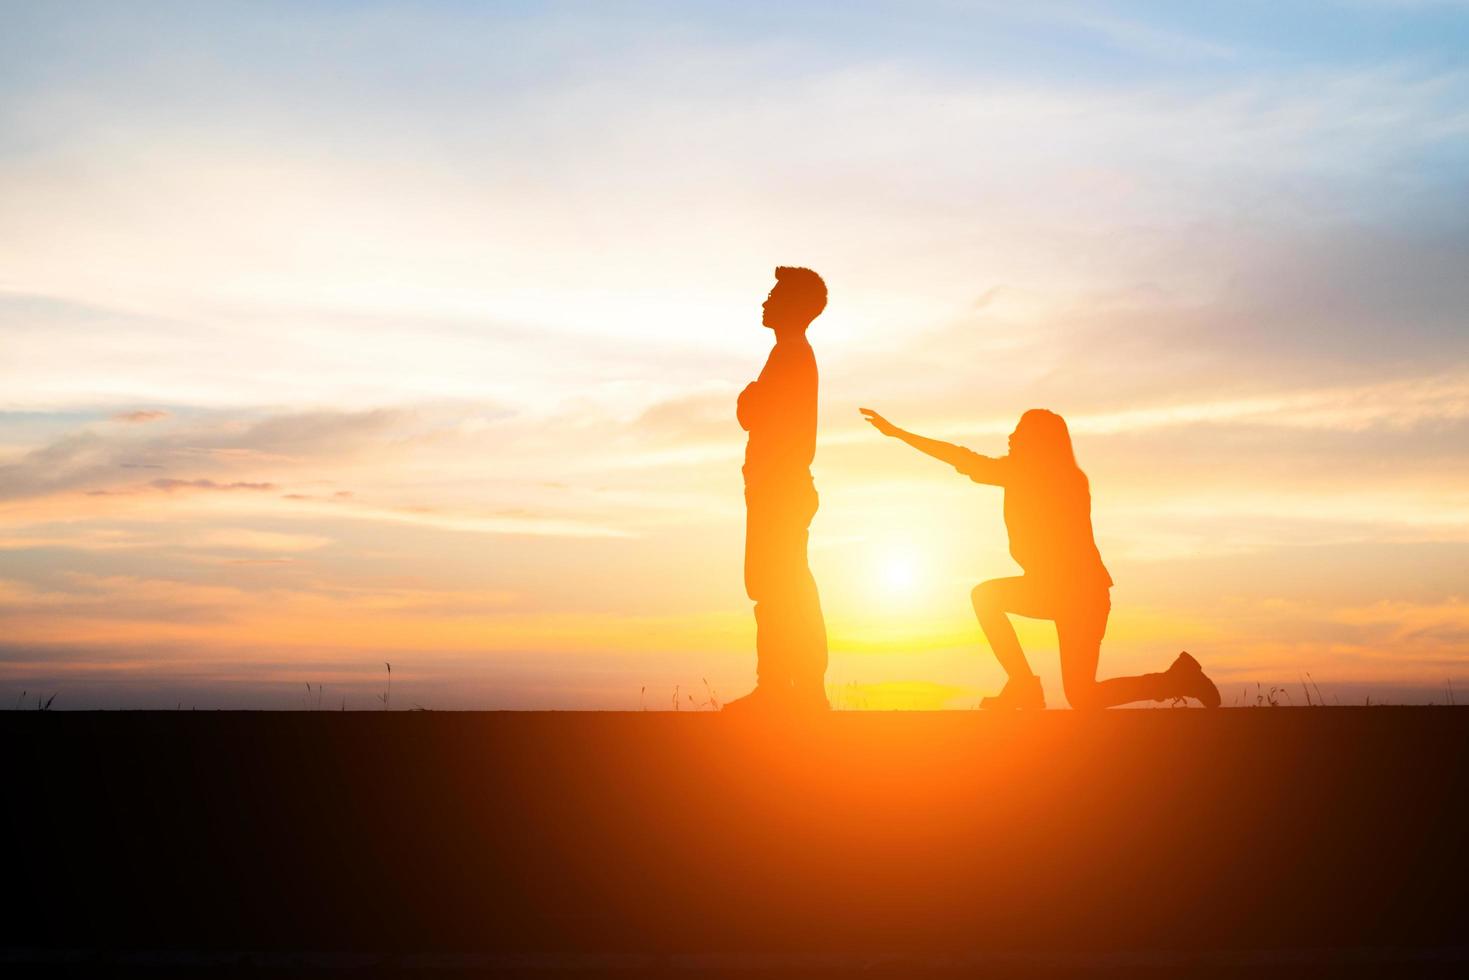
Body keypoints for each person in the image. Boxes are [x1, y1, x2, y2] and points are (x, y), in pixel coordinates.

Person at [859, 406, 1220, 710]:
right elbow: (963, 459)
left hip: (1079, 596)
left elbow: (959, 457)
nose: (1011, 437)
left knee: (991, 604)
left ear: (1038, 441)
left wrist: (898, 433)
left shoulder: (1037, 475)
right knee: (1081, 694)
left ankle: (1026, 684)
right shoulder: (1052, 475)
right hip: (1067, 592)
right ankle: (1174, 679)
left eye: (1019, 432)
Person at [724, 267, 830, 713]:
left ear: (795, 306)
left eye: (775, 294)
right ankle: (788, 686)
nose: (765, 300)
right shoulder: (787, 354)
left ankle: (791, 688)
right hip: (777, 488)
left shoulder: (791, 355)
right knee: (778, 587)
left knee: (782, 587)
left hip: (780, 489)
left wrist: (749, 397)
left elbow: (752, 412)